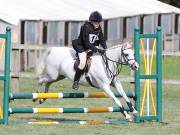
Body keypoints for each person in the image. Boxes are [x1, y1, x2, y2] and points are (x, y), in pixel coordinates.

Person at [72, 11, 107, 90]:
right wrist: (97, 50)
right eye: (95, 22)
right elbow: (86, 43)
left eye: (98, 22)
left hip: (89, 47)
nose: (97, 24)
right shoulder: (86, 27)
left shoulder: (99, 28)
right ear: (91, 21)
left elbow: (102, 39)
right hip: (81, 46)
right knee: (83, 62)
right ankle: (76, 81)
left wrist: (105, 48)